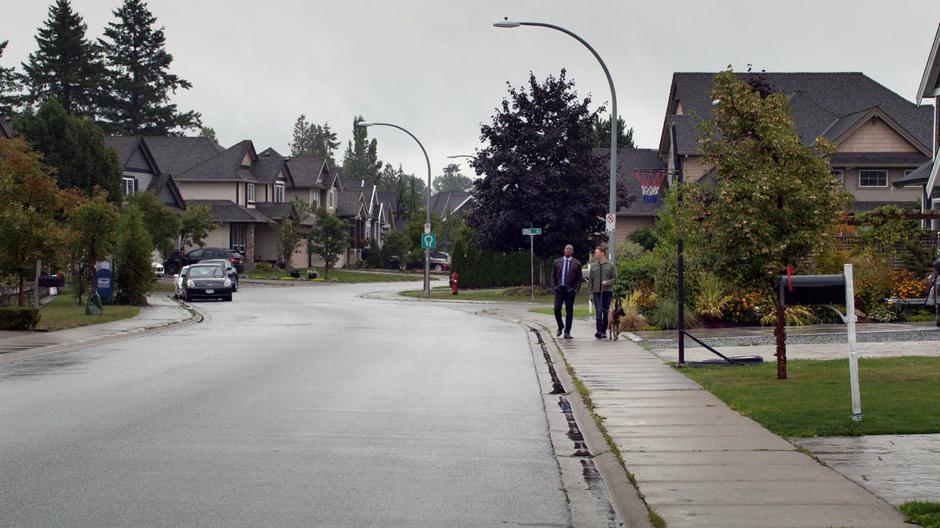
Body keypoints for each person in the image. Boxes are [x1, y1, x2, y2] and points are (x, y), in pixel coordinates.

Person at [552, 244, 582, 339]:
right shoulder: (557, 262)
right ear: (564, 250)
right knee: (557, 308)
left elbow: (579, 279)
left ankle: (567, 332)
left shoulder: (576, 264)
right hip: (559, 289)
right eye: (567, 248)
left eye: (570, 249)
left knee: (569, 311)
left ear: (572, 252)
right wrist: (554, 287)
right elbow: (553, 276)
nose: (568, 250)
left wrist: (576, 289)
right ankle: (560, 326)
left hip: (570, 290)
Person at [588, 245, 617, 339]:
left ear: (602, 253)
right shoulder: (593, 266)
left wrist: (607, 282)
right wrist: (590, 293)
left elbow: (615, 278)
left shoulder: (611, 265)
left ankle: (604, 331)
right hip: (596, 292)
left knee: (605, 311)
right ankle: (599, 331)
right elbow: (590, 281)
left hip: (607, 292)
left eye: (596, 252)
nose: (595, 254)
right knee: (598, 310)